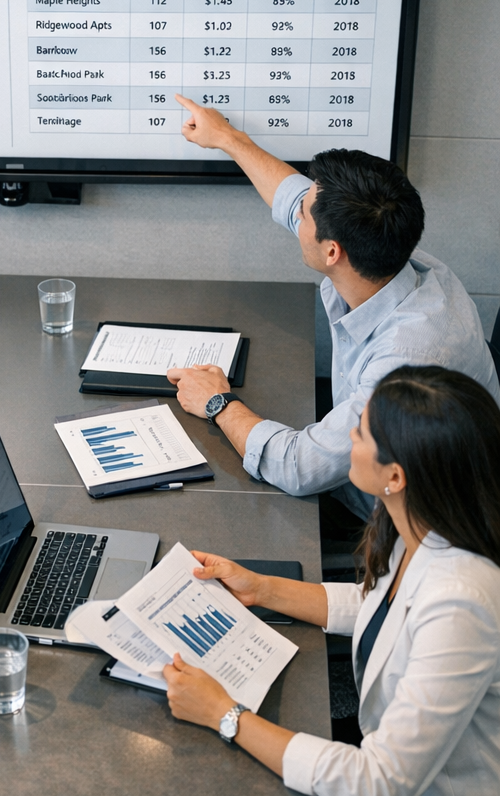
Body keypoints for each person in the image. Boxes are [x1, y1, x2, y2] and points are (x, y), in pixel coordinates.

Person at [162, 365, 500, 796]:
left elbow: (377, 782)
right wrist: (261, 588)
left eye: (360, 433)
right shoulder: (421, 523)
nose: (349, 440)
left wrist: (224, 714)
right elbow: (385, 606)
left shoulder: (462, 607)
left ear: (395, 476)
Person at [166, 94, 499, 517]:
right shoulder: (400, 259)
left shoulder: (407, 363)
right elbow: (290, 197)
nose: (295, 215)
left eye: (305, 215)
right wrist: (228, 138)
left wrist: (218, 403)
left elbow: (299, 467)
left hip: (401, 524)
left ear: (332, 253)